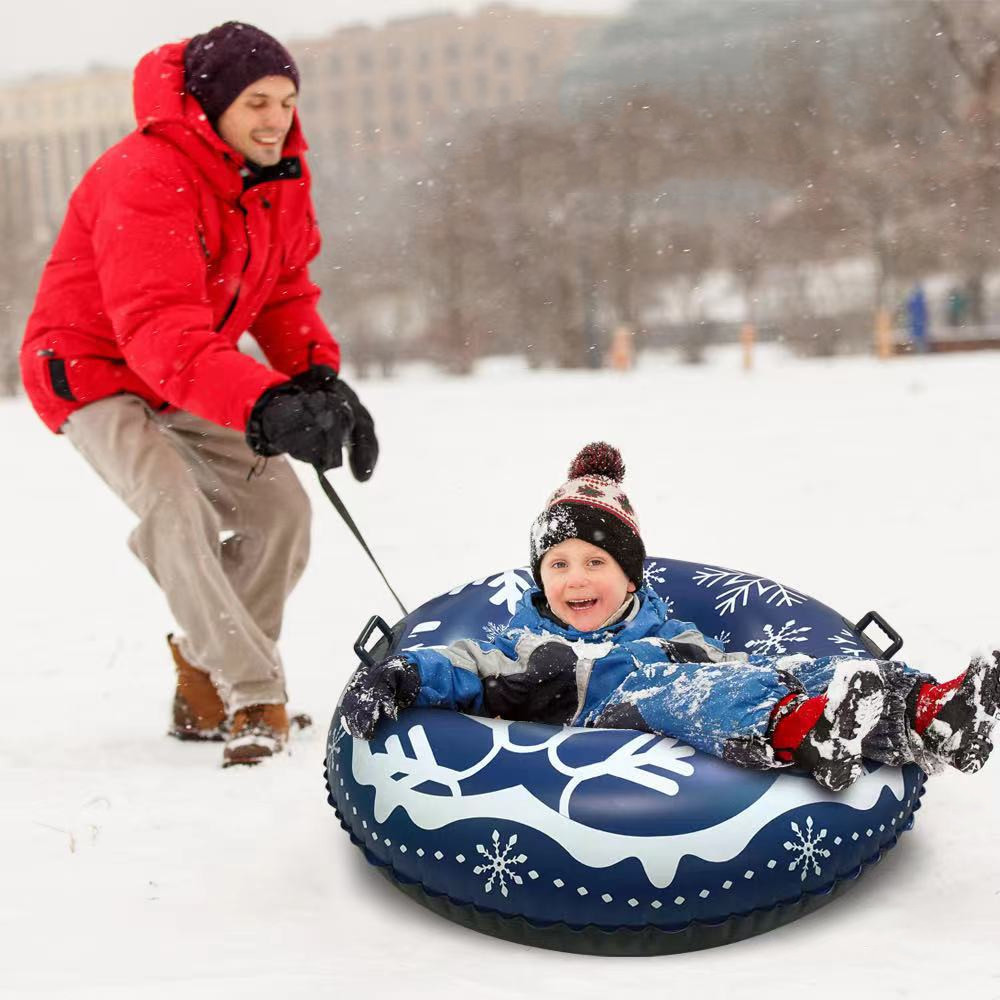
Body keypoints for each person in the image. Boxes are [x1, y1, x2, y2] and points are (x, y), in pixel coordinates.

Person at [20, 22, 378, 767]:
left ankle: (201, 671)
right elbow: (156, 326)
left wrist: (315, 376)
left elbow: (283, 291)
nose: (276, 118)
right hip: (90, 369)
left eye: (285, 99)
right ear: (211, 106)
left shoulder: (282, 174)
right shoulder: (145, 172)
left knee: (280, 509)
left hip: (183, 366)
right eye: (256, 102)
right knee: (173, 506)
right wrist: (261, 402)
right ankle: (251, 694)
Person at [340, 443, 999, 791]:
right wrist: (398, 676)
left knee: (789, 667)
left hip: (697, 675)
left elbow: (736, 664)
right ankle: (809, 731)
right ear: (540, 578)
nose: (577, 579)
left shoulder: (664, 630)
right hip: (619, 714)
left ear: (629, 576)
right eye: (559, 564)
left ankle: (928, 712)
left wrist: (799, 672)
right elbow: (452, 666)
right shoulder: (519, 648)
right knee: (685, 694)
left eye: (596, 563)